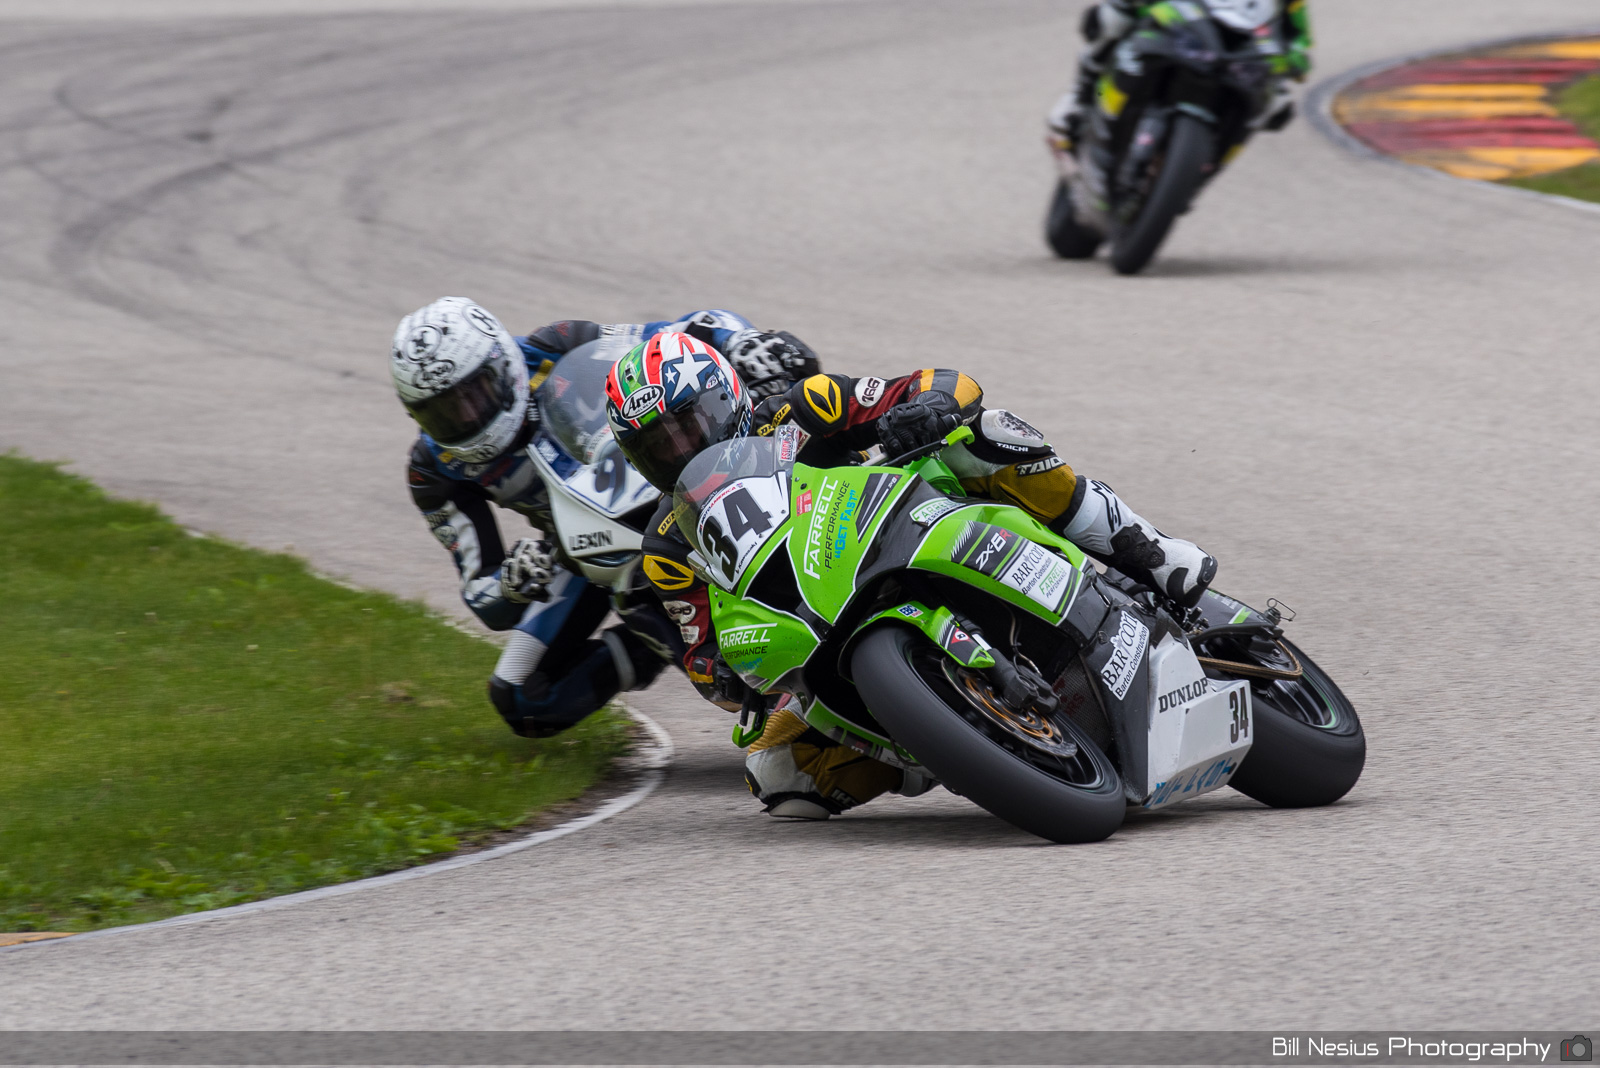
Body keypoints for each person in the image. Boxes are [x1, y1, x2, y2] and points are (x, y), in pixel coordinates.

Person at [604, 333, 1216, 820]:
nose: (680, 450)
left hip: (913, 522)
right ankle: (942, 741)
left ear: (724, 397)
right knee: (776, 774)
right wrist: (733, 678)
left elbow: (947, 384)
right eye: (657, 447)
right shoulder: (667, 543)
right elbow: (700, 651)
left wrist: (926, 408)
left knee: (981, 433)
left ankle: (1147, 549)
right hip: (818, 628)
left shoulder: (800, 409)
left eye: (688, 425)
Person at [393, 298, 819, 739]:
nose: (465, 415)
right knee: (522, 695)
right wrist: (512, 579)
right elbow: (482, 595)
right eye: (441, 412)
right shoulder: (432, 470)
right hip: (575, 549)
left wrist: (743, 341)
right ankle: (653, 646)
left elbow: (683, 333)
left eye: (474, 392)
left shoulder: (557, 345)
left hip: (659, 480)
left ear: (502, 364)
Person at [1046, 0, 1311, 151]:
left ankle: (1206, 163)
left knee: (1276, 104)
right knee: (1112, 17)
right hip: (1179, 16)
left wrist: (1296, 60)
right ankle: (1079, 97)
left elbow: (1300, 38)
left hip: (1237, 48)